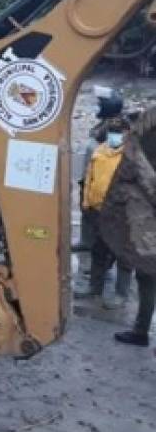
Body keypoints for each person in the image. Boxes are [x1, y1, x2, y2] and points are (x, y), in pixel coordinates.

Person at [75, 117, 131, 308]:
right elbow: (90, 177)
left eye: (118, 132)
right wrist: (86, 202)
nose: (114, 136)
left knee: (123, 256)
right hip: (98, 211)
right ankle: (94, 288)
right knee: (98, 251)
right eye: (112, 132)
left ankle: (121, 294)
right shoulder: (100, 151)